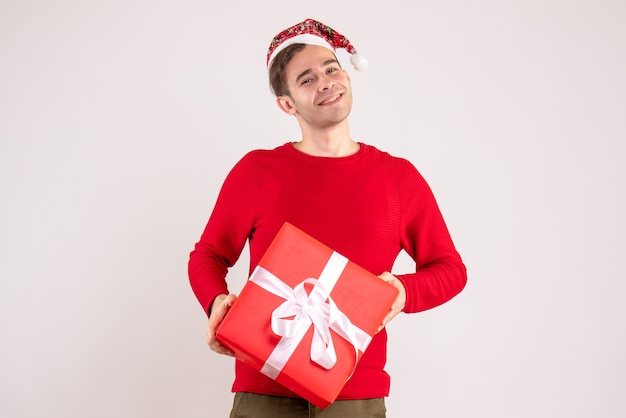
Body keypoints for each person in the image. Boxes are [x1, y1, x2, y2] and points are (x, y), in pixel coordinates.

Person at [188, 18, 467, 418]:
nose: (326, 81)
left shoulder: (397, 177)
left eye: (332, 68)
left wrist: (403, 291)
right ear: (287, 103)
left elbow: (451, 269)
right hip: (264, 388)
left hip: (355, 394)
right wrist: (216, 301)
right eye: (307, 78)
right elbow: (208, 254)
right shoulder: (258, 171)